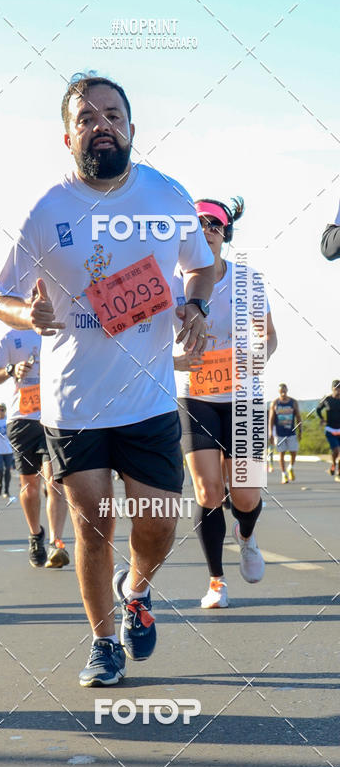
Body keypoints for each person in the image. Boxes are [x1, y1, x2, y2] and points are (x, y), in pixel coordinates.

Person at [0, 73, 214, 685]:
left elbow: (201, 268)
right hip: (73, 401)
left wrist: (193, 307)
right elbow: (1, 296)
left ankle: (137, 590)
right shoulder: (47, 210)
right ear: (68, 136)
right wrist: (26, 314)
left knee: (158, 523)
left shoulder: (167, 196)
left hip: (147, 395)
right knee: (93, 526)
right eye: (87, 117)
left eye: (112, 114)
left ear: (132, 128)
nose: (101, 125)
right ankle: (102, 643)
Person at [172, 197, 277, 609]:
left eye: (215, 223)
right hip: (195, 395)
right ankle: (216, 581)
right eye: (198, 222)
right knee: (207, 490)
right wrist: (176, 360)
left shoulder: (246, 280)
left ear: (225, 233)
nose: (207, 228)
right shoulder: (170, 281)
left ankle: (246, 536)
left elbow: (269, 337)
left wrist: (257, 357)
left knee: (245, 497)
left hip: (244, 397)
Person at [0, 330, 69, 568]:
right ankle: (36, 535)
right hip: (22, 419)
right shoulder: (10, 337)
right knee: (30, 488)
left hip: (54, 417)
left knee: (54, 482)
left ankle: (56, 542)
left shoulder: (60, 329)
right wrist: (11, 370)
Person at [269, 384, 302, 483]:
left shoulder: (293, 402)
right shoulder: (275, 403)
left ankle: (290, 467)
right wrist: (270, 433)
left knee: (293, 452)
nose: (283, 392)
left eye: (284, 390)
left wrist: (300, 430)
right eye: (281, 391)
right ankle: (283, 474)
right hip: (279, 433)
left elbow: (298, 417)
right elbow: (271, 419)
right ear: (279, 391)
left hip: (291, 432)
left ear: (287, 390)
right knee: (281, 453)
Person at [316, 380, 340, 480]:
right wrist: (322, 419)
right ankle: (333, 465)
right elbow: (318, 409)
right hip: (330, 429)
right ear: (332, 389)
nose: (338, 391)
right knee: (335, 450)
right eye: (336, 388)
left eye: (339, 388)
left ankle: (338, 473)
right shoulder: (327, 399)